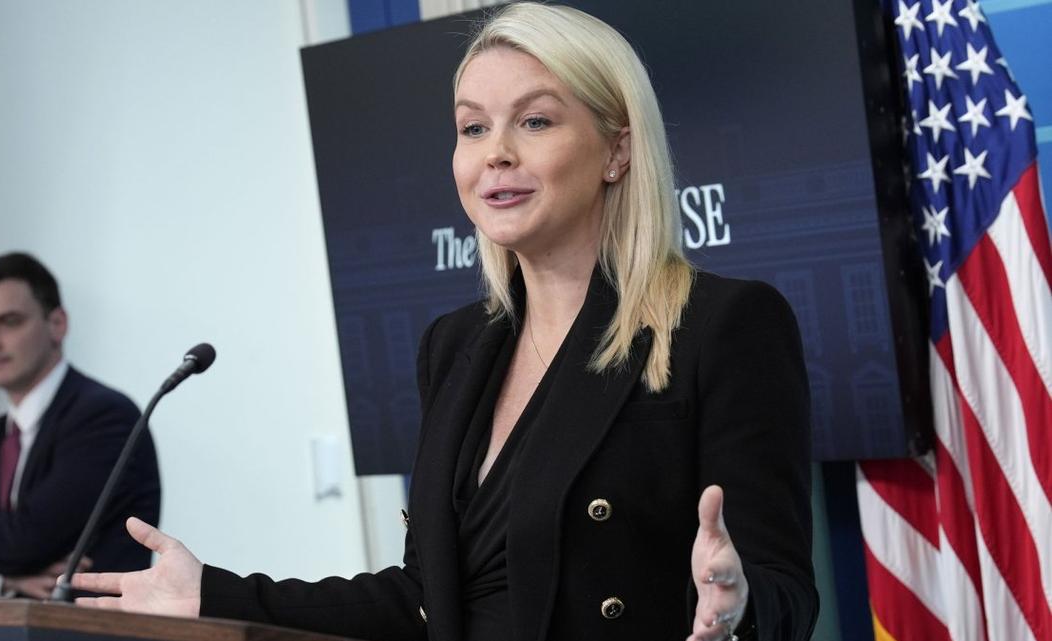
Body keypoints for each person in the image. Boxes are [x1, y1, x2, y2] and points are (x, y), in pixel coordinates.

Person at [72, 3, 817, 640]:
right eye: (471, 128)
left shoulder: (723, 324)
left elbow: (784, 589)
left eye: (534, 120)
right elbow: (425, 601)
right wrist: (214, 594)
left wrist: (738, 606)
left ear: (617, 149)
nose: (495, 154)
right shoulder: (456, 346)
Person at [0, 252, 161, 599]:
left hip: (89, 630)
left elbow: (28, 540)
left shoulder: (105, 415)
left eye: (9, 322)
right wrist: (6, 583)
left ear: (57, 324)